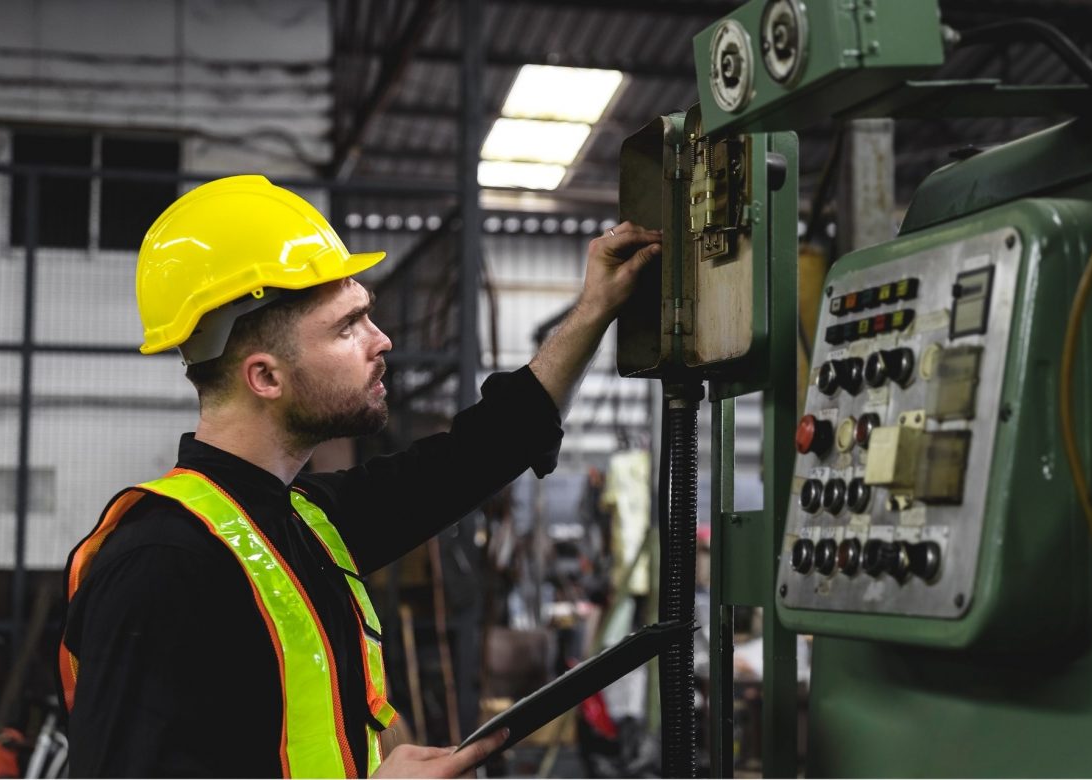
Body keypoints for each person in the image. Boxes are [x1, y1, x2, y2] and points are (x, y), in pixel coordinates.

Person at [57, 175, 661, 778]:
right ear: (265, 378)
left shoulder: (306, 522)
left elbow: (482, 451)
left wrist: (594, 309)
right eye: (348, 326)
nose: (382, 340)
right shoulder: (162, 564)